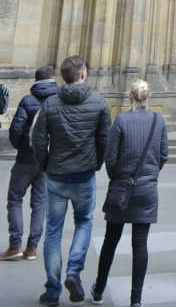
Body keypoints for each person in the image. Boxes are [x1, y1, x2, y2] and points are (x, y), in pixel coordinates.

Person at [32, 55, 110, 305]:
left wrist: (43, 165)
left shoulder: (50, 104)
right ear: (84, 74)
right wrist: (96, 164)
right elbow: (104, 141)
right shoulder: (98, 102)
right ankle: (74, 271)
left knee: (53, 231)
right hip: (83, 175)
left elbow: (38, 139)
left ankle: (52, 290)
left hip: (56, 174)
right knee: (84, 222)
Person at [89, 80, 168, 307]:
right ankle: (136, 300)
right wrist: (150, 175)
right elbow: (163, 155)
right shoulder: (158, 120)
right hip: (147, 189)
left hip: (122, 188)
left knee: (110, 241)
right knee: (140, 244)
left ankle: (99, 290)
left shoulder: (122, 121)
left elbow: (110, 158)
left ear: (130, 97)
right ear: (149, 96)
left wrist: (118, 177)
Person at [1, 67, 58, 262]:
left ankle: (15, 245)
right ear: (52, 80)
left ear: (36, 80)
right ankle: (31, 249)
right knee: (40, 204)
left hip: (26, 158)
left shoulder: (28, 100)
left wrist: (21, 147)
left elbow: (16, 130)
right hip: (47, 162)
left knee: (15, 199)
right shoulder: (58, 102)